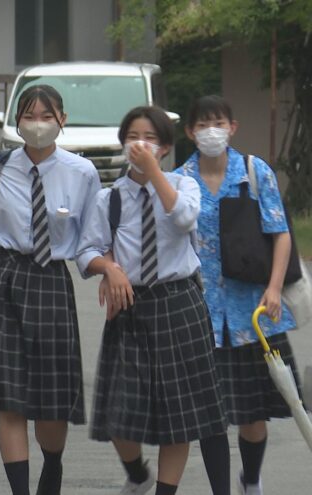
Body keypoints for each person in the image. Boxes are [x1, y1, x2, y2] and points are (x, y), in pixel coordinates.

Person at [0, 84, 100, 495]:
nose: (37, 125)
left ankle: (52, 464)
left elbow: (89, 241)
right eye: (29, 116)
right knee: (11, 398)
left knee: (51, 407)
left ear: (62, 121)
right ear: (16, 121)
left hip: (51, 282)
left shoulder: (82, 173)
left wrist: (107, 269)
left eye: (46, 116)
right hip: (1, 279)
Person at [77, 106, 228, 495]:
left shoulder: (184, 184)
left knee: (177, 414)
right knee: (118, 412)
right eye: (132, 137)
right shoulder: (110, 198)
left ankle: (164, 490)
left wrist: (157, 175)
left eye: (149, 138)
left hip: (178, 302)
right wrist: (108, 269)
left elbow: (183, 218)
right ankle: (138, 473)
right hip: (130, 307)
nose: (139, 144)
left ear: (164, 148)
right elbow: (86, 250)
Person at [175, 95, 303, 495]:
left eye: (219, 122)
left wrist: (275, 286)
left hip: (252, 311)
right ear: (189, 132)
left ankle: (250, 478)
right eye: (202, 124)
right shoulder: (180, 180)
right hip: (201, 312)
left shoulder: (254, 171)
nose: (211, 130)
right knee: (211, 416)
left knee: (253, 413)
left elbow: (279, 231)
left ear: (233, 127)